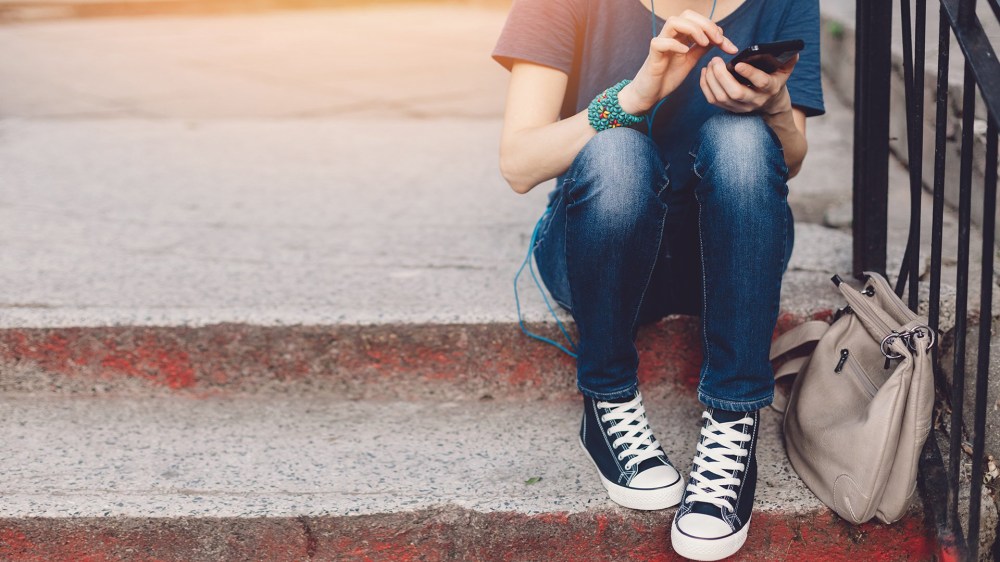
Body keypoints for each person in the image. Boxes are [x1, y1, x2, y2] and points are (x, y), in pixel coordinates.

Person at [493, 0, 824, 559]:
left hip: (724, 258)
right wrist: (632, 97)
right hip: (600, 250)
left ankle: (734, 416)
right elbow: (519, 164)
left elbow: (789, 160)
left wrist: (773, 106)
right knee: (617, 151)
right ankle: (607, 396)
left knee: (742, 138)